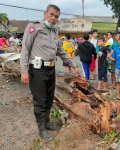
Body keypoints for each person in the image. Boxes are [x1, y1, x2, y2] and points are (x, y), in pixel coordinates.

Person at [20, 4, 80, 140]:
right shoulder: (33, 27)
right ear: (45, 14)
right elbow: (25, 49)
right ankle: (41, 128)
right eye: (51, 15)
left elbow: (61, 52)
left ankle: (46, 122)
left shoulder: (54, 32)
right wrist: (24, 71)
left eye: (56, 16)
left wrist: (73, 65)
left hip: (50, 69)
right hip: (37, 69)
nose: (53, 18)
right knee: (39, 100)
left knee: (48, 98)